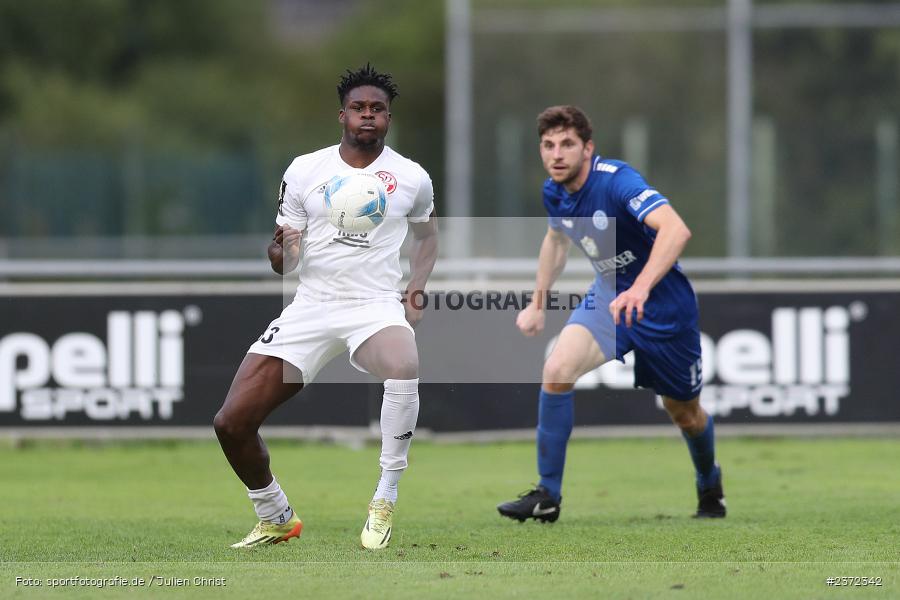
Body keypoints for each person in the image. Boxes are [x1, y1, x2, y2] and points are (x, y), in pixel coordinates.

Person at [214, 64, 438, 550]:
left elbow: (427, 240)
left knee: (405, 364)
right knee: (231, 423)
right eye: (359, 108)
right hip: (311, 306)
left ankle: (385, 497)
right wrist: (281, 250)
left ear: (388, 119)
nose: (368, 116)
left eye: (377, 109)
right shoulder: (305, 171)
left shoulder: (412, 178)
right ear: (342, 115)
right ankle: (275, 514)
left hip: (374, 305)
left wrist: (415, 289)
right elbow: (283, 262)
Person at [497, 105, 725, 522]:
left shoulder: (617, 182)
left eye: (567, 144)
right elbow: (556, 242)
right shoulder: (554, 190)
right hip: (608, 298)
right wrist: (537, 303)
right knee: (557, 369)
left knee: (685, 414)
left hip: (664, 308)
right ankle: (548, 494)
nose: (557, 154)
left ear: (588, 148)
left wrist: (640, 287)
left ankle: (710, 484)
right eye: (548, 146)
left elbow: (676, 230)